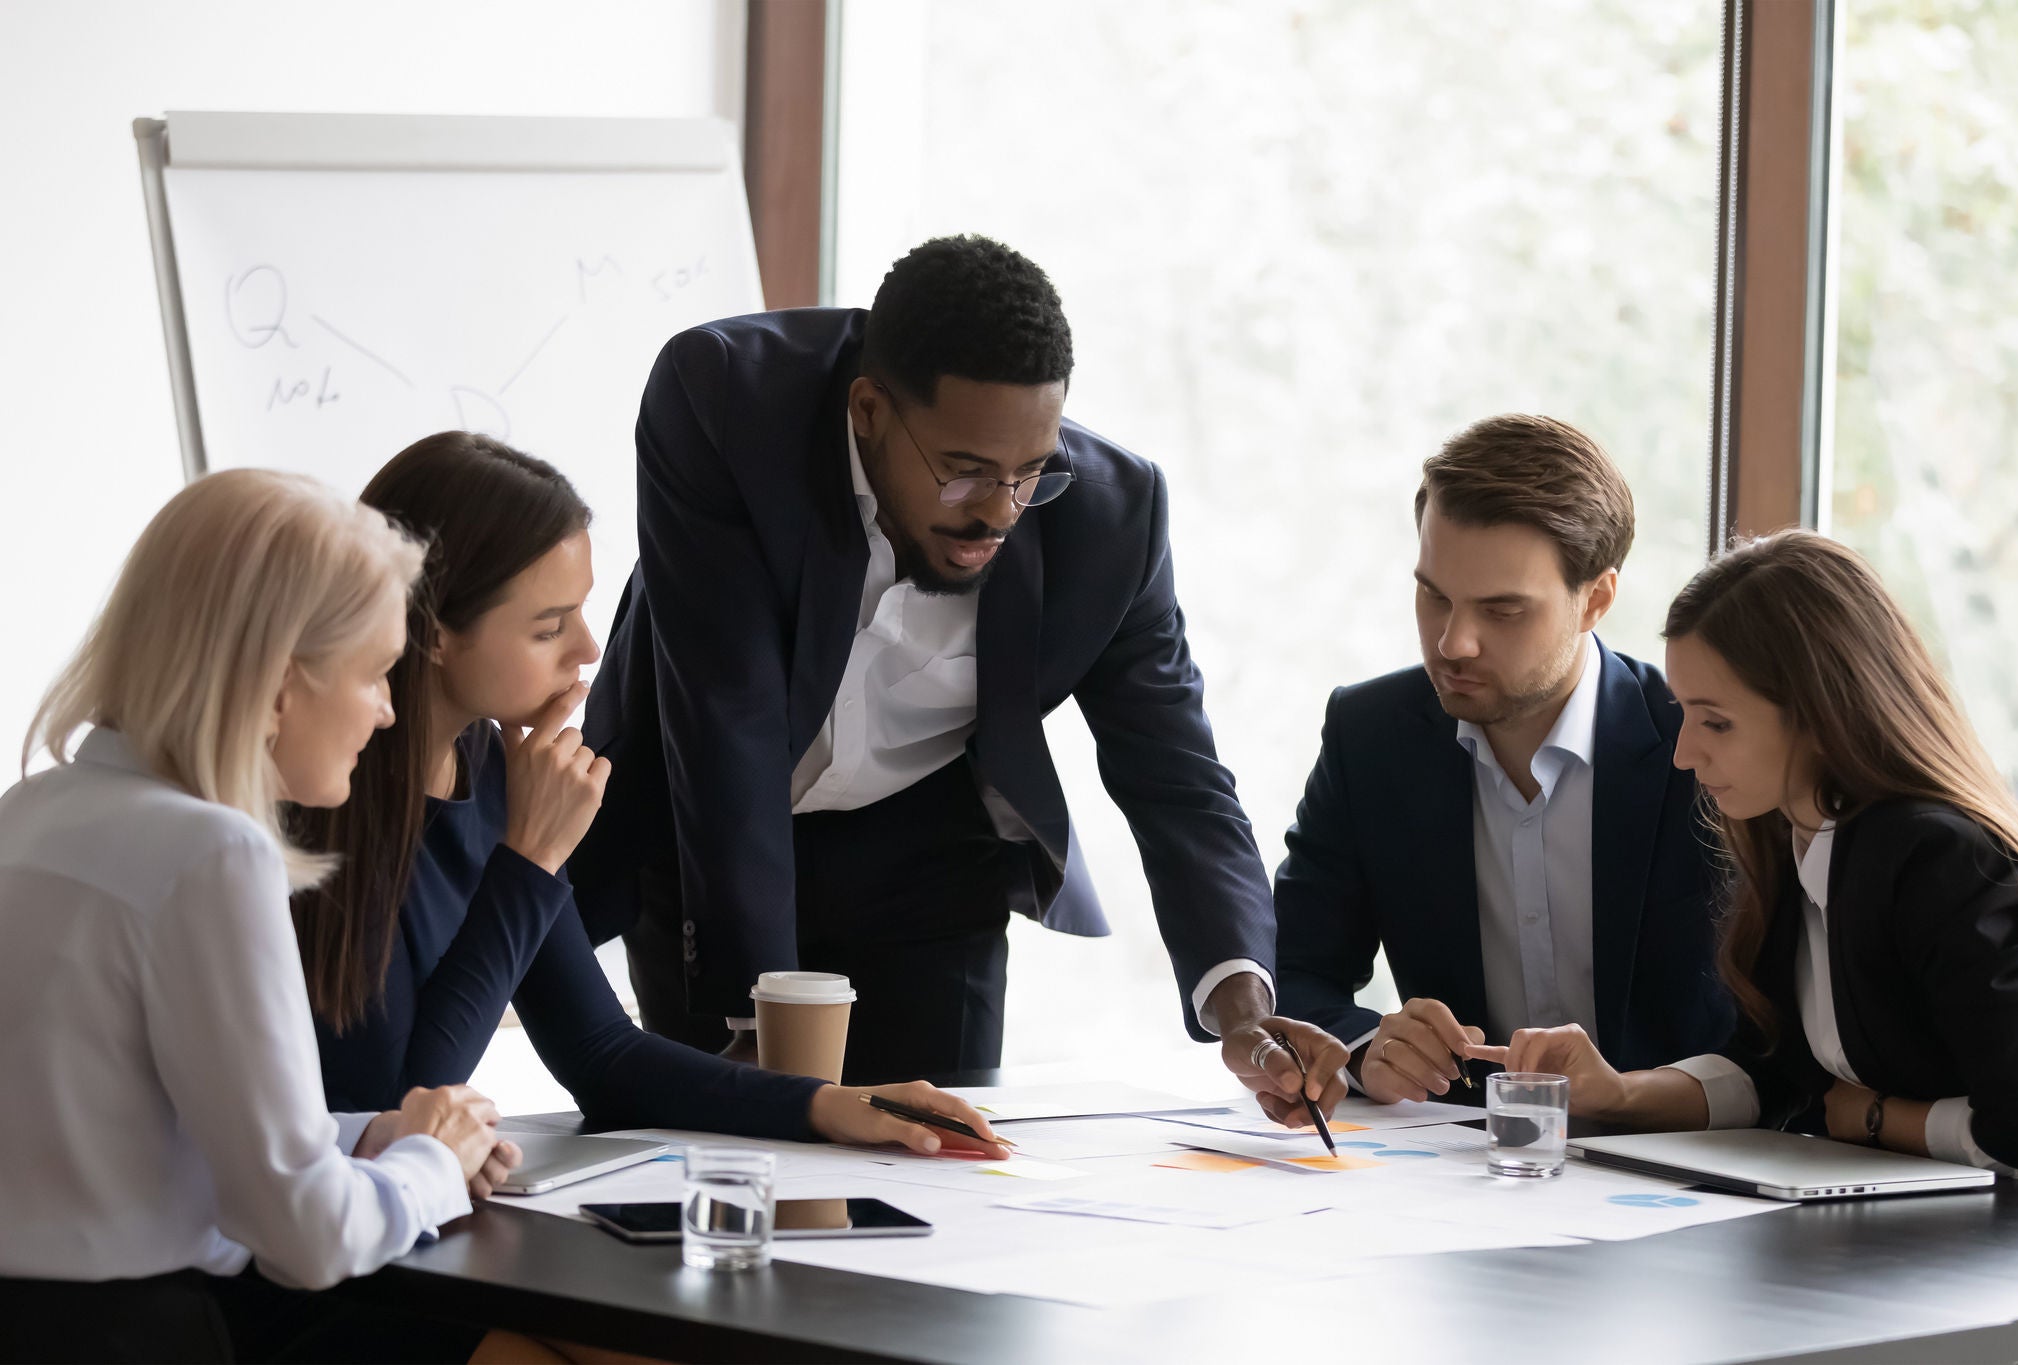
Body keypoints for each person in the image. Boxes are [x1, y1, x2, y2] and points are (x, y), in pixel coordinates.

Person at [573, 234, 1346, 1119]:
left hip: (928, 860)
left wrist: (1246, 1013)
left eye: (1030, 474)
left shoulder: (1112, 517)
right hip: (711, 837)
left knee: (941, 1163)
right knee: (725, 1155)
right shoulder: (724, 400)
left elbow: (1177, 773)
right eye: (965, 472)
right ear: (868, 411)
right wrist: (761, 1018)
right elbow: (727, 717)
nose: (998, 511)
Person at [291, 431, 1009, 1157]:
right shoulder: (321, 794)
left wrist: (827, 1104)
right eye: (548, 628)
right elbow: (393, 1109)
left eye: (580, 611)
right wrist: (532, 858)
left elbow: (600, 1052)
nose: (589, 650)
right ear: (433, 630)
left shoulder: (495, 768)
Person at [0, 470, 511, 1362]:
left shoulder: (28, 812)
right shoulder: (212, 855)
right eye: (376, 674)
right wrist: (434, 1167)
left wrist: (374, 1134)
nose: (389, 712)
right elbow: (308, 1235)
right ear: (279, 685)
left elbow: (136, 1137)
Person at [1470, 530, 2018, 1176]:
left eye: (1716, 721)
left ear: (1822, 711)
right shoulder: (1793, 838)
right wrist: (1618, 1090)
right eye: (1683, 713)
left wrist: (1883, 1119)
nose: (1684, 754)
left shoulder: (1939, 858)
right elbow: (1770, 1073)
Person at [1275, 416, 1731, 1104]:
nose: (1454, 642)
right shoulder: (1371, 734)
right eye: (1434, 595)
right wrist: (1369, 1049)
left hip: (1675, 1160)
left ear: (1596, 600)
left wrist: (1632, 1097)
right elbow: (1292, 968)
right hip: (1458, 1167)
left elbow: (1773, 1030)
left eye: (1503, 610)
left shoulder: (1697, 745)